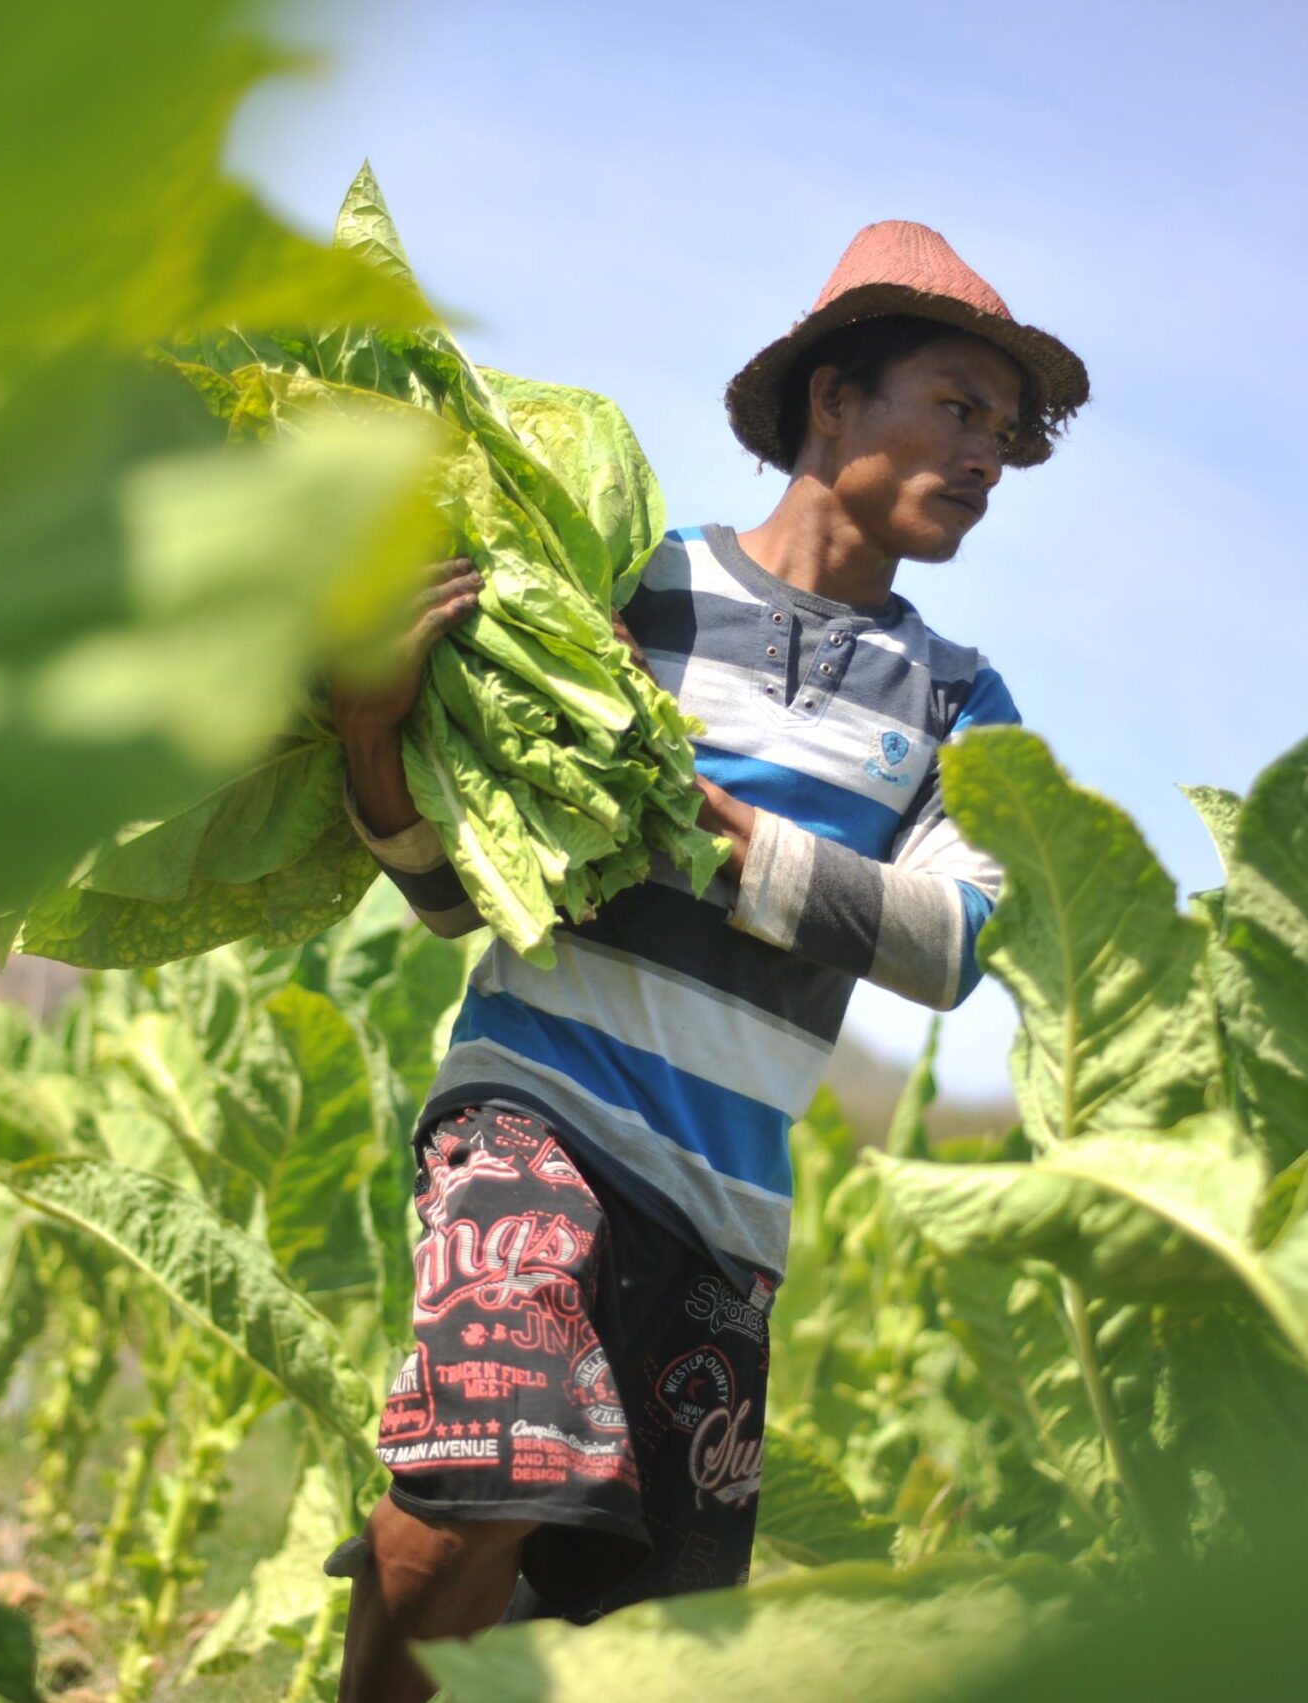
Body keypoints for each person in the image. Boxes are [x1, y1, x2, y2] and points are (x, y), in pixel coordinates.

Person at [325, 219, 1089, 1703]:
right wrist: (374, 731)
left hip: (727, 1207)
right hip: (533, 1108)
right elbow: (451, 897)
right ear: (832, 402)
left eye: (1006, 431)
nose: (988, 454)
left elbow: (953, 945)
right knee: (499, 1466)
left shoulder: (958, 705)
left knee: (614, 1633)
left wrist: (738, 845)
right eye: (955, 405)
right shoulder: (628, 597)